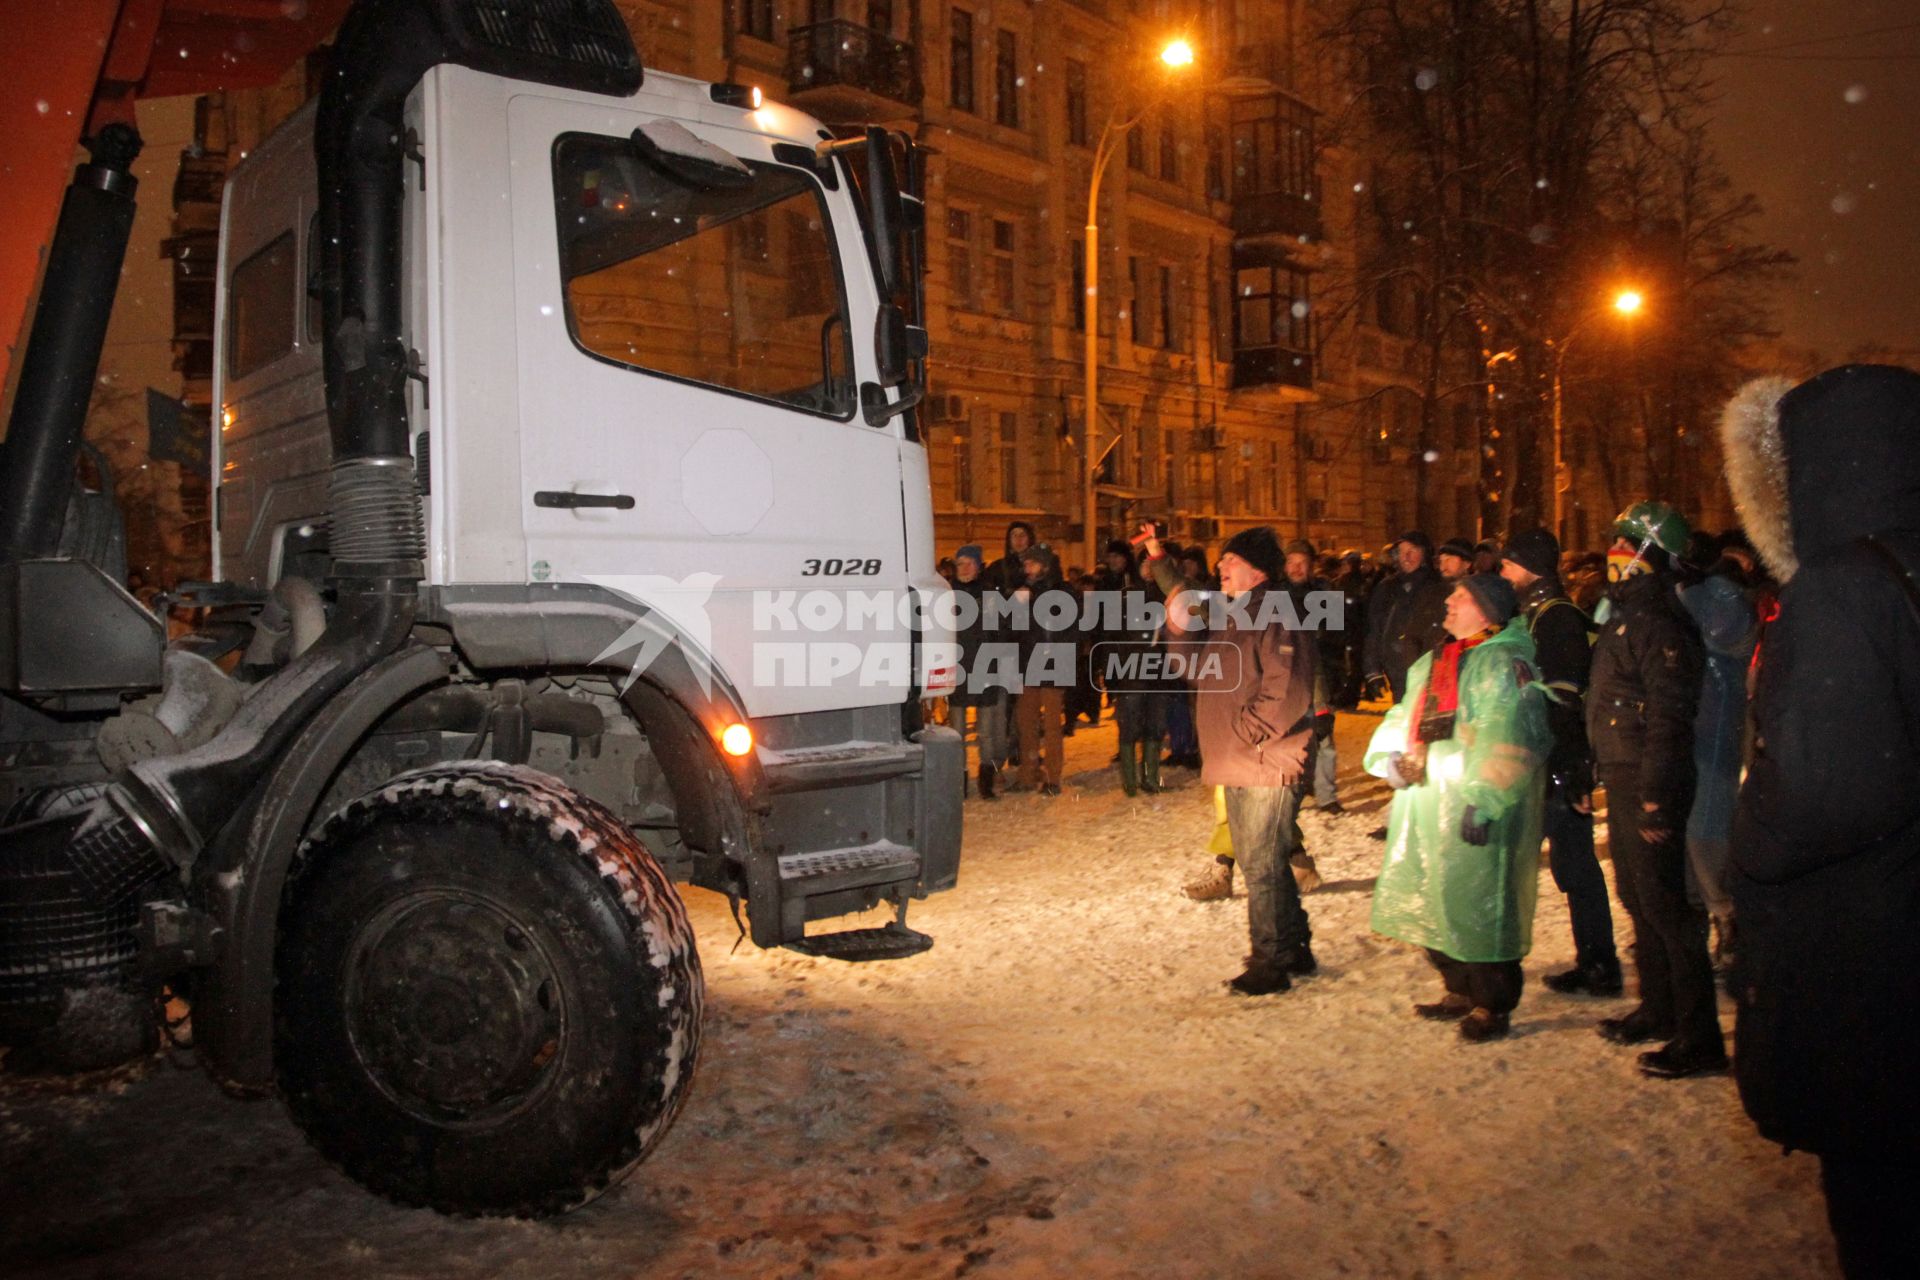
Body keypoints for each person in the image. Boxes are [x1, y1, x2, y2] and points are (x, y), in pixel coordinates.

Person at [1721, 365, 1920, 1278]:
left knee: (1878, 1198)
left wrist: (1749, 840)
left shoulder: (1842, 587)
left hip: (1869, 954)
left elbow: (1818, 792)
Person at [1366, 573, 1551, 1041]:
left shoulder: (1505, 663)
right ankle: (1459, 986)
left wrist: (1486, 798)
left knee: (1482, 900)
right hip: (1428, 800)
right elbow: (1403, 714)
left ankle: (1492, 1002)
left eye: (1462, 596)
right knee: (1435, 891)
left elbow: (1512, 732)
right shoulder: (1440, 659)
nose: (1448, 601)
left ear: (1488, 610)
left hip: (1473, 802)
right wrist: (1390, 760)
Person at [1142, 522, 1317, 995]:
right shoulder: (1232, 614)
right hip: (1241, 757)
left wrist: (1247, 733)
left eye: (1231, 561)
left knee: (1260, 864)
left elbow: (1288, 689)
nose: (1220, 567)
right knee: (1266, 860)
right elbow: (1197, 670)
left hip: (1265, 758)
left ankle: (1271, 962)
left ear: (1258, 571)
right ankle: (1294, 946)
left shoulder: (1277, 615)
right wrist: (1178, 623)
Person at [1587, 501, 1719, 1078]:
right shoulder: (1625, 613)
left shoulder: (1659, 620)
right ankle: (1658, 1008)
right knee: (1638, 898)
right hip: (1622, 771)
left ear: (1650, 555)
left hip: (1648, 775)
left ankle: (1700, 1037)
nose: (1613, 554)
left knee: (1669, 910)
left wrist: (1656, 797)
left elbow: (1669, 716)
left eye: (1624, 544)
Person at [1500, 529, 1619, 997]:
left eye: (1510, 564)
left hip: (1556, 762)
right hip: (1538, 758)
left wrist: (1571, 768)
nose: (1503, 572)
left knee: (1576, 867)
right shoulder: (1532, 612)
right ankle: (1590, 958)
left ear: (1530, 567)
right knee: (1563, 865)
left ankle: (1600, 964)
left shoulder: (1558, 618)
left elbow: (1566, 699)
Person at [1678, 533, 1760, 967]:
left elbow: (1720, 629)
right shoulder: (1701, 593)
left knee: (1707, 824)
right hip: (1694, 721)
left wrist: (1702, 586)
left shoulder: (1726, 600)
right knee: (1688, 824)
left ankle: (1727, 916)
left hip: (1716, 723)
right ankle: (1700, 914)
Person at [1100, 539, 1168, 797]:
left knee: (1156, 725)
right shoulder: (1126, 596)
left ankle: (1151, 777)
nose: (1149, 570)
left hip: (1160, 673)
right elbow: (1111, 637)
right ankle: (1129, 780)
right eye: (1145, 564)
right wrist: (1112, 673)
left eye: (1154, 565)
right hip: (1131, 671)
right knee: (1129, 725)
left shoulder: (1168, 598)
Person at [1011, 543, 1073, 795]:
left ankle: (1053, 777)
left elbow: (1073, 626)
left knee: (1051, 724)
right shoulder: (1022, 592)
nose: (1027, 568)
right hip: (1028, 663)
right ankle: (1028, 773)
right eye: (1025, 564)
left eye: (1032, 563)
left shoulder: (1064, 591)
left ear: (1045, 565)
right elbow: (1012, 629)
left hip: (1055, 663)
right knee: (1025, 724)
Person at [950, 545, 1011, 800]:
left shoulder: (989, 595)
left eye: (968, 563)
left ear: (978, 565)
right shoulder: (947, 595)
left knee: (986, 731)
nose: (964, 568)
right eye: (959, 563)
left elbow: (1003, 631)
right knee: (956, 732)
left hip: (986, 668)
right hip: (956, 671)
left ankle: (986, 782)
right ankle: (958, 783)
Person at [1363, 530, 1450, 702]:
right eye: (1401, 552)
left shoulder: (1439, 586)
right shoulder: (1387, 587)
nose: (1406, 557)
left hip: (1433, 669)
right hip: (1398, 670)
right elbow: (1374, 628)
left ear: (1425, 553)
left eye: (1413, 550)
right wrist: (1372, 670)